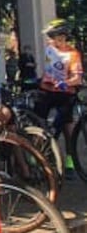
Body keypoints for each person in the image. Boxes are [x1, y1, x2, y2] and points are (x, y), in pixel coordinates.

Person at [36, 20, 83, 175]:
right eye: (51, 37)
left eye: (54, 37)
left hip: (65, 93)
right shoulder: (49, 49)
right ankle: (37, 154)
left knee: (67, 127)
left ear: (62, 37)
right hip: (48, 91)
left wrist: (66, 83)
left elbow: (77, 78)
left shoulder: (73, 54)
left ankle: (70, 162)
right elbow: (48, 70)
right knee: (39, 122)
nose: (51, 41)